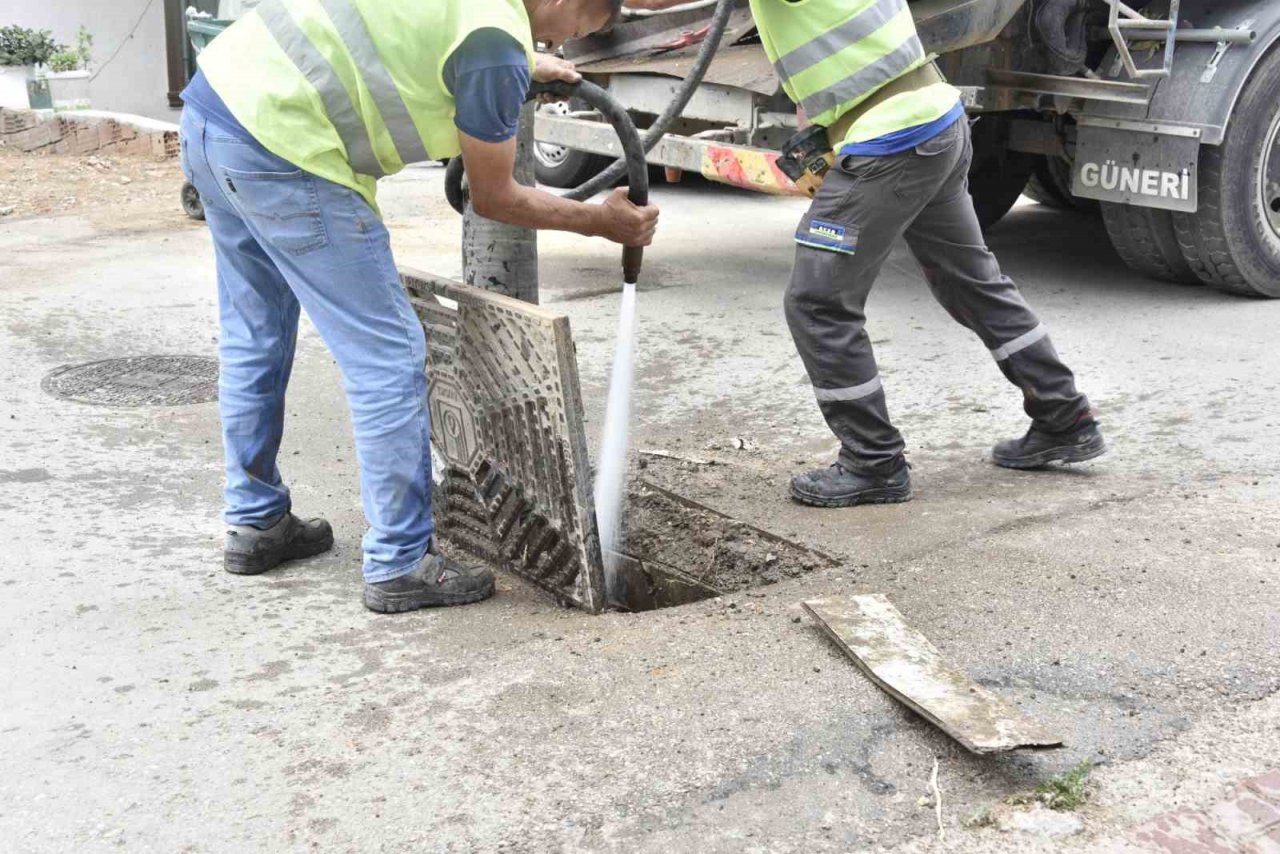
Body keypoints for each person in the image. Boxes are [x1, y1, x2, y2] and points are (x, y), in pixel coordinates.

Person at [180, 0, 658, 613]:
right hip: (285, 149)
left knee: (257, 335)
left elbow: (423, 37)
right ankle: (400, 561)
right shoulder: (492, 45)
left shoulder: (483, 24)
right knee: (388, 356)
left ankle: (255, 522)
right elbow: (494, 196)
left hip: (214, 113)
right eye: (577, 30)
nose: (565, 43)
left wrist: (520, 63)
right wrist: (600, 222)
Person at [627, 0, 1104, 506]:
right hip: (933, 120)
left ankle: (873, 462)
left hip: (892, 140)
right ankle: (1064, 416)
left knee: (817, 302)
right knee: (972, 282)